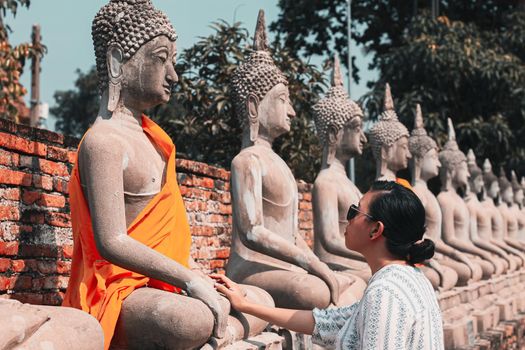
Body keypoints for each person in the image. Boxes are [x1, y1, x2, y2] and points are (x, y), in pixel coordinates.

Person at [213, 181, 444, 349]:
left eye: (355, 211)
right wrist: (246, 304)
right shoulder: (409, 278)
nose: (347, 217)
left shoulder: (386, 293)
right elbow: (325, 322)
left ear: (376, 229)